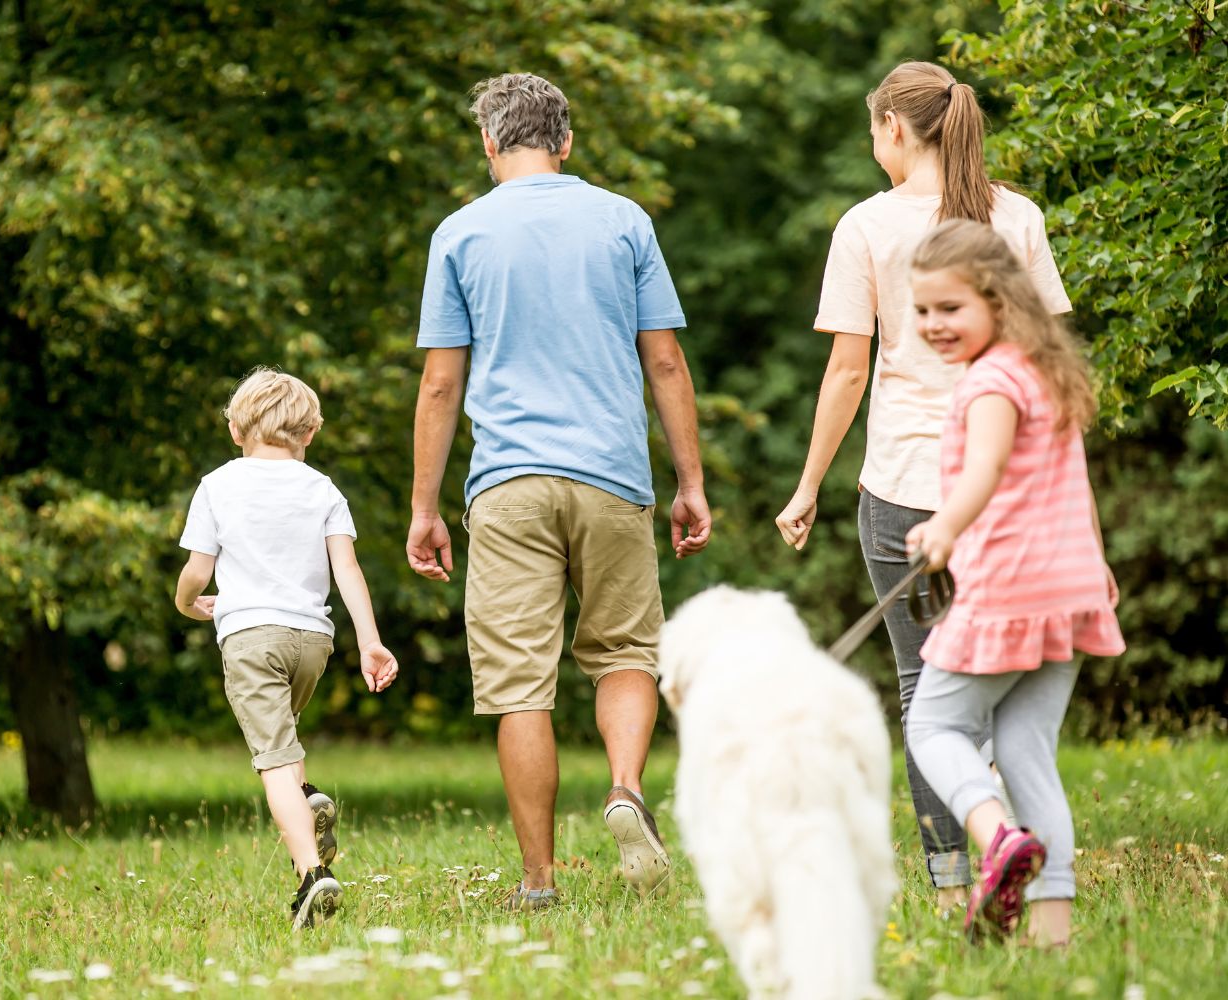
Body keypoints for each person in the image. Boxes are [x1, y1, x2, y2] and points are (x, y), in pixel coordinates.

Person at [406, 72, 712, 909]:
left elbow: (440, 384)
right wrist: (689, 481)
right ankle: (623, 788)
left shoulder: (461, 233)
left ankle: (538, 886)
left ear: (490, 144)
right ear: (566, 141)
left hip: (506, 484)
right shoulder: (624, 220)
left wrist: (423, 508)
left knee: (519, 686)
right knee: (624, 652)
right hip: (613, 475)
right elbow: (664, 362)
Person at [773, 61, 1073, 910]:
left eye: (875, 133)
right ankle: (1038, 873)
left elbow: (845, 372)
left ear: (895, 130)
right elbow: (1053, 367)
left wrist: (807, 487)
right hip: (1013, 485)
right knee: (1016, 683)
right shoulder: (1016, 217)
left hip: (908, 483)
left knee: (924, 684)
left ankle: (955, 881)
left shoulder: (867, 226)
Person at [902, 219, 1124, 945]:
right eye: (923, 310)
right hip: (1065, 587)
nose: (933, 324)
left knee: (932, 725)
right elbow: (1075, 486)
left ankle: (994, 837)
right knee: (1028, 754)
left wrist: (944, 528)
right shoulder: (1042, 369)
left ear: (998, 301)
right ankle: (1052, 938)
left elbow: (986, 470)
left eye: (950, 308)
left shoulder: (992, 381)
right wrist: (1095, 565)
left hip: (1007, 587)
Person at [174, 367, 399, 928]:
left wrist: (186, 603)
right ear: (310, 433)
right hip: (311, 642)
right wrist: (369, 642)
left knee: (272, 760)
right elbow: (346, 568)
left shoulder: (217, 484)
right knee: (285, 739)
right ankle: (309, 798)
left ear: (235, 430)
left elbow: (197, 571)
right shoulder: (322, 488)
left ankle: (311, 873)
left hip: (251, 637)